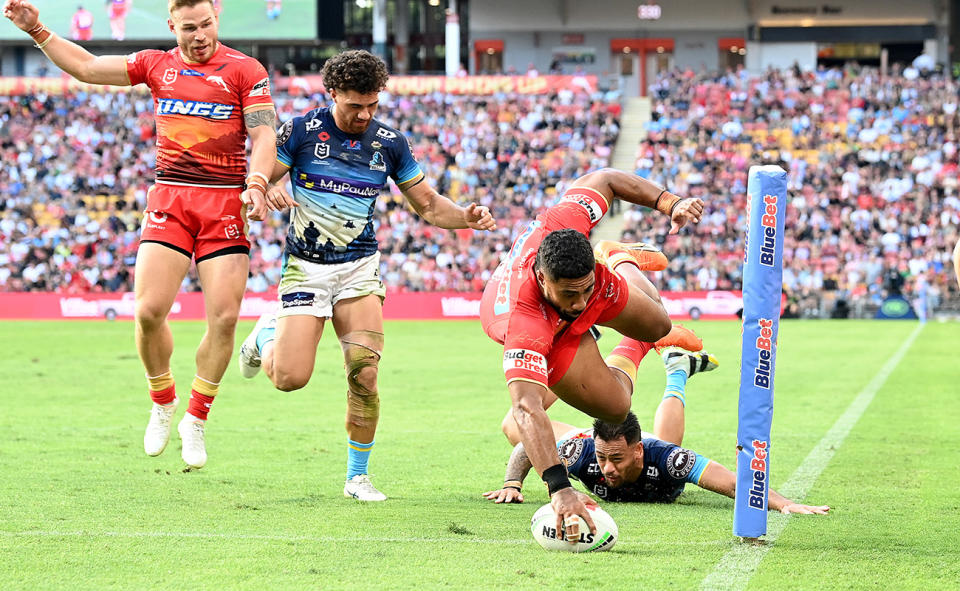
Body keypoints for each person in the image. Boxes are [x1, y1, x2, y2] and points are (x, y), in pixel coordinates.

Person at [4, 0, 277, 469]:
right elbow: (88, 67)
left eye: (206, 25)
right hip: (171, 199)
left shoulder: (244, 69)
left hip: (223, 202)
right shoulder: (156, 65)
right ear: (172, 25)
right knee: (148, 312)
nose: (199, 35)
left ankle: (196, 418)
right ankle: (162, 399)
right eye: (188, 27)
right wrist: (38, 31)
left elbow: (265, 134)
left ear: (217, 19)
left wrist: (256, 182)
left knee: (226, 318)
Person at [237, 50, 495, 501]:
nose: (365, 114)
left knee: (365, 374)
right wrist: (265, 189)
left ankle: (357, 477)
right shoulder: (300, 130)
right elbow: (263, 172)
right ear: (332, 92)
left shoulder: (389, 143)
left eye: (373, 105)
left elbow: (430, 206)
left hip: (359, 268)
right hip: (306, 268)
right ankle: (264, 336)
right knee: (289, 378)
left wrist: (467, 217)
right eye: (356, 105)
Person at [478, 167, 705, 540]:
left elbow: (606, 179)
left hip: (589, 281)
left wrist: (670, 202)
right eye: (570, 294)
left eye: (584, 291)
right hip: (553, 333)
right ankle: (614, 336)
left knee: (659, 325)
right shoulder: (525, 323)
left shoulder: (566, 220)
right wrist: (559, 488)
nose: (581, 302)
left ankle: (618, 258)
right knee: (616, 408)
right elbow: (525, 409)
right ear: (541, 277)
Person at [483, 347, 830, 516]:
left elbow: (734, 483)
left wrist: (784, 504)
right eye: (604, 458)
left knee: (666, 442)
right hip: (584, 435)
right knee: (512, 425)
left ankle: (676, 370)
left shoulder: (668, 460)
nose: (608, 469)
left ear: (637, 451)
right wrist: (512, 484)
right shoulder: (584, 453)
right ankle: (573, 360)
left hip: (658, 456)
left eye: (616, 459)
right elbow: (530, 444)